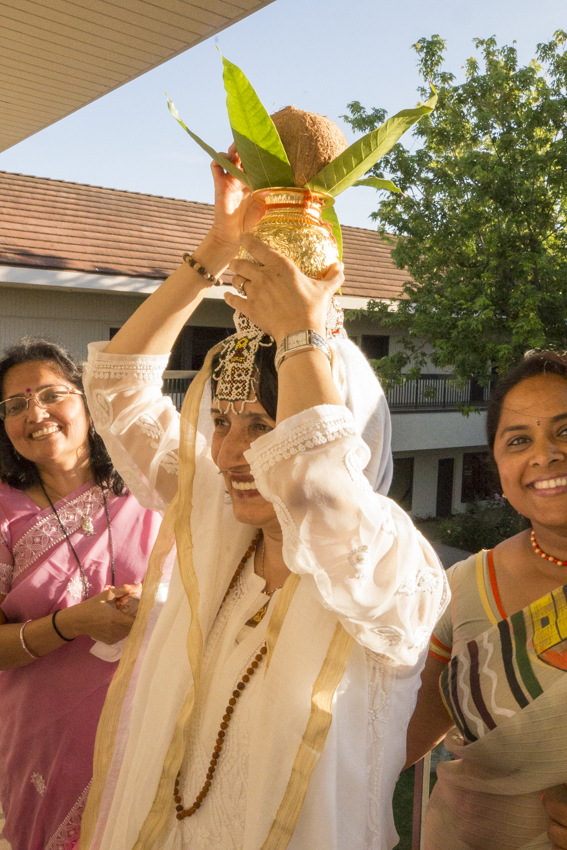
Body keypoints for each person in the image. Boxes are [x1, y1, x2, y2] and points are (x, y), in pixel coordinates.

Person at [78, 152, 448, 850]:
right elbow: (121, 389)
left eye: (262, 427)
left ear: (340, 433)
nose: (227, 456)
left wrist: (302, 336)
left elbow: (314, 488)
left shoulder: (389, 572)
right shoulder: (215, 535)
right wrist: (214, 251)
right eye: (221, 422)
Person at [0, 339, 161, 850]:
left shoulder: (151, 486)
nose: (37, 413)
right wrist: (73, 623)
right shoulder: (4, 512)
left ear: (88, 401)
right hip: (46, 740)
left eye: (51, 394)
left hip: (153, 717)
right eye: (16, 405)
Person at [406, 350, 567, 850]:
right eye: (519, 440)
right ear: (498, 465)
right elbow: (393, 739)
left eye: (565, 431)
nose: (545, 455)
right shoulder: (461, 588)